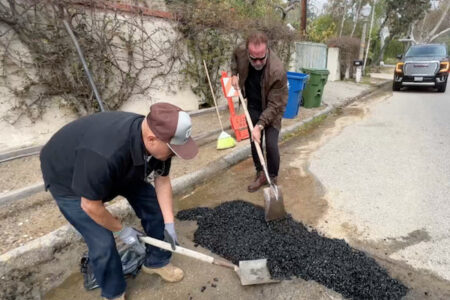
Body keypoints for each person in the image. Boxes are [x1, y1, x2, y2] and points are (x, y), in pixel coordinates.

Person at [40, 102, 198, 300]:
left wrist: (168, 223)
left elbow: (162, 180)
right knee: (102, 242)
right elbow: (90, 205)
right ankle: (113, 293)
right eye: (173, 150)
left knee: (154, 208)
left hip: (119, 168)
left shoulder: (159, 135)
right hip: (69, 180)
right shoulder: (104, 155)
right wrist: (121, 230)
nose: (175, 154)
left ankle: (157, 261)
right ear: (151, 139)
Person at [230, 31, 288, 192]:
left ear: (267, 50)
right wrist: (234, 74)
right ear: (248, 51)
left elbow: (275, 105)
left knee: (270, 144)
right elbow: (234, 57)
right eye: (253, 58)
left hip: (272, 108)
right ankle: (260, 173)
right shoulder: (241, 50)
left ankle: (272, 178)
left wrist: (260, 125)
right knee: (255, 142)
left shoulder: (277, 71)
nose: (257, 62)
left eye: (261, 58)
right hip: (253, 105)